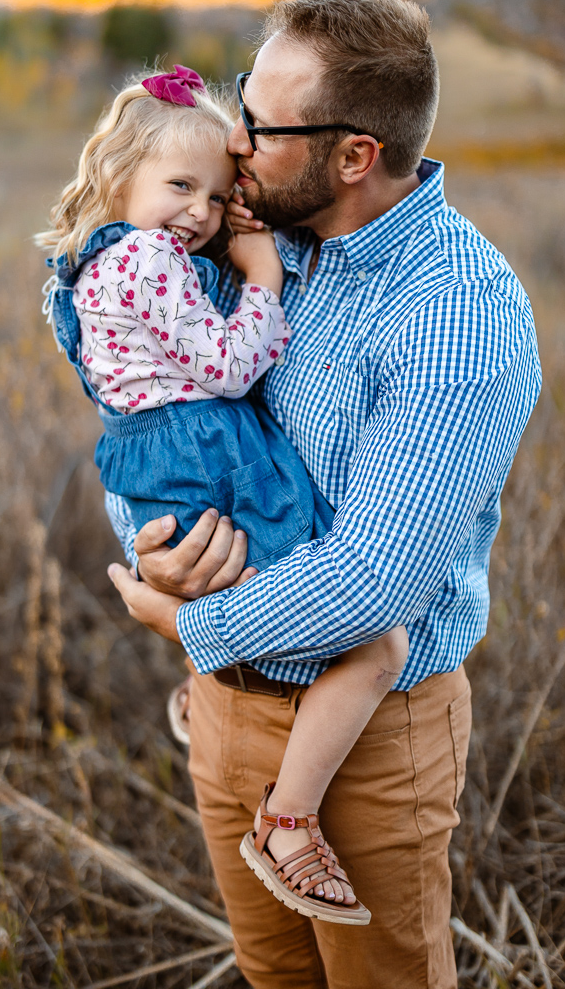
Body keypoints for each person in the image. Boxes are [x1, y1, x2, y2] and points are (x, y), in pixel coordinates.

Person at [105, 0, 542, 989]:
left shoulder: (457, 317)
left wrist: (184, 622)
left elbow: (370, 587)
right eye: (236, 105)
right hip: (221, 712)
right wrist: (152, 544)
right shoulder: (246, 237)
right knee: (271, 974)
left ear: (355, 155)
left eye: (261, 125)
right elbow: (144, 408)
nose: (235, 141)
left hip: (369, 740)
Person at [37, 64, 410, 924]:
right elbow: (232, 364)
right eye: (180, 186)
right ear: (118, 175)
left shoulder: (104, 258)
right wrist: (264, 278)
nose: (200, 213)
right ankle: (287, 820)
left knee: (229, 573)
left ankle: (207, 674)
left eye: (215, 193)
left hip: (162, 455)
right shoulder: (147, 264)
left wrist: (224, 237)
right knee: (374, 643)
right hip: (209, 451)